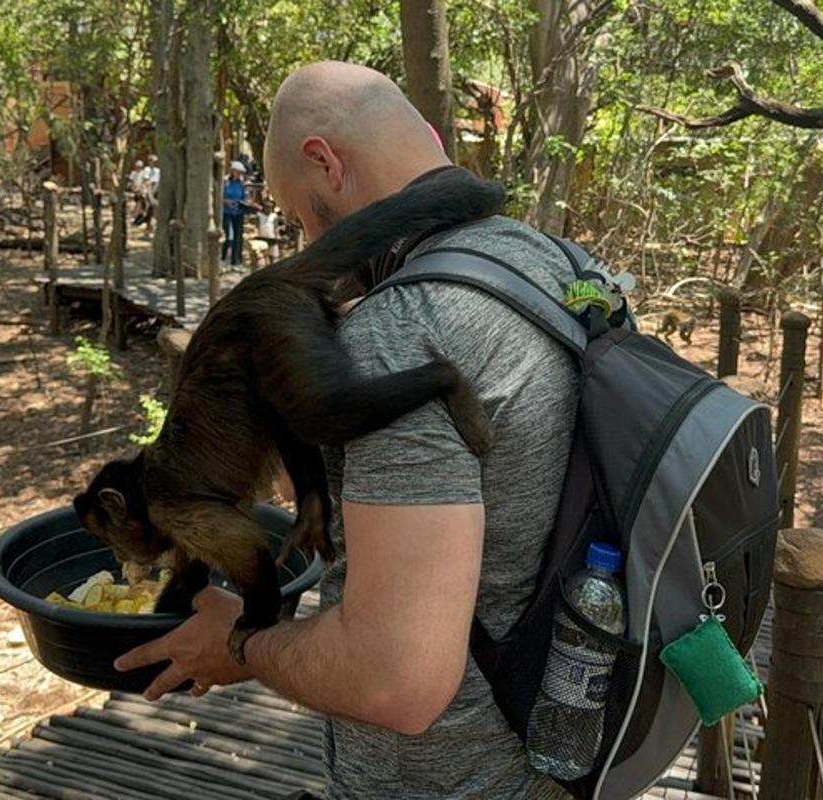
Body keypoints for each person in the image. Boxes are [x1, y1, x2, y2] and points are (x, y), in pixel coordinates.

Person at [115, 61, 578, 800]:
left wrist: (241, 644)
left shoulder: (404, 333)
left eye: (298, 213)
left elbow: (396, 682)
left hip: (447, 779)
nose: (303, 236)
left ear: (324, 163)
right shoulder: (546, 259)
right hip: (561, 741)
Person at [221, 160, 248, 268]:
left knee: (238, 236)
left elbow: (244, 198)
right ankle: (223, 258)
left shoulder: (241, 185)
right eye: (237, 172)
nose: (239, 174)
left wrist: (245, 203)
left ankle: (236, 260)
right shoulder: (226, 183)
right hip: (227, 212)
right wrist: (225, 201)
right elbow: (220, 197)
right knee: (228, 236)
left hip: (238, 212)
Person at [254, 196, 282, 266]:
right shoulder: (259, 215)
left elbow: (275, 227)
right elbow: (256, 226)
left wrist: (277, 236)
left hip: (271, 237)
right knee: (262, 256)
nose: (268, 209)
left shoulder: (274, 216)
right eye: (267, 207)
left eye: (270, 207)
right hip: (261, 237)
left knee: (272, 255)